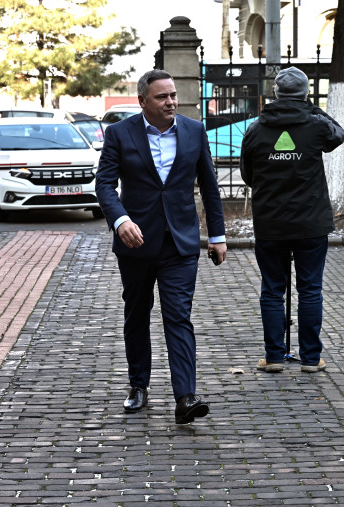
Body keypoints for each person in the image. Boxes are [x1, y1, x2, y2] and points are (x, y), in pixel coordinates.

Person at [95, 69, 227, 425]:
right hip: (136, 242)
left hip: (179, 244)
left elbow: (209, 186)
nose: (171, 102)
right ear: (143, 101)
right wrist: (121, 221)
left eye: (173, 95)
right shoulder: (120, 133)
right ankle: (138, 384)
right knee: (137, 314)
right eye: (162, 97)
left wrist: (217, 235)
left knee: (178, 317)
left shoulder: (194, 130)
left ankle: (185, 397)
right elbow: (104, 184)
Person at [240, 66, 344, 374]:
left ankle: (274, 356)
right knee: (310, 289)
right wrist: (311, 108)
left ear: (275, 93)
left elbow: (247, 175)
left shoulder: (256, 129)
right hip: (311, 223)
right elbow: (338, 134)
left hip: (270, 223)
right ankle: (311, 358)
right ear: (305, 94)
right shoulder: (315, 125)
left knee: (273, 289)